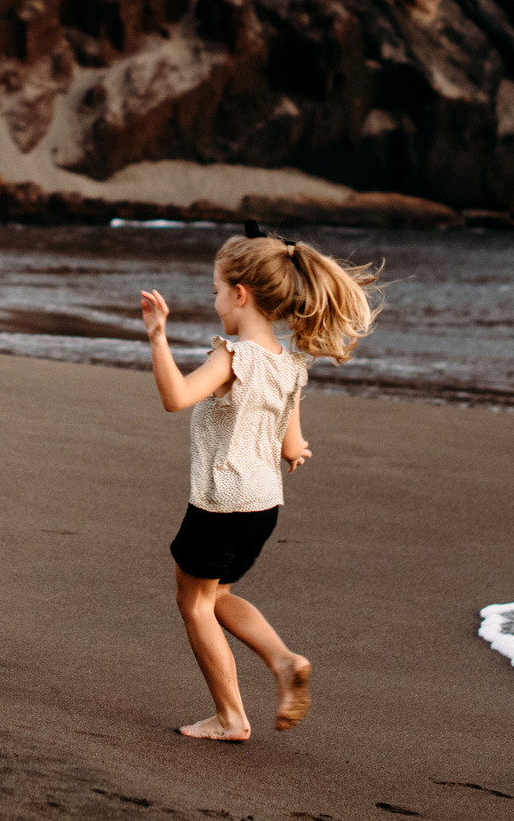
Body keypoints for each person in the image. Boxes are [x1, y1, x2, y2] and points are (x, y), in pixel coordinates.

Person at [136, 223, 383, 742]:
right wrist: (295, 451)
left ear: (240, 294)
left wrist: (157, 337)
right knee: (218, 592)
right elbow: (291, 443)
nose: (216, 301)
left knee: (194, 603)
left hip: (221, 502)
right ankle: (283, 659)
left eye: (216, 291)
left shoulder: (232, 356)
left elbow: (176, 397)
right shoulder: (290, 364)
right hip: (263, 506)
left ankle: (231, 717)